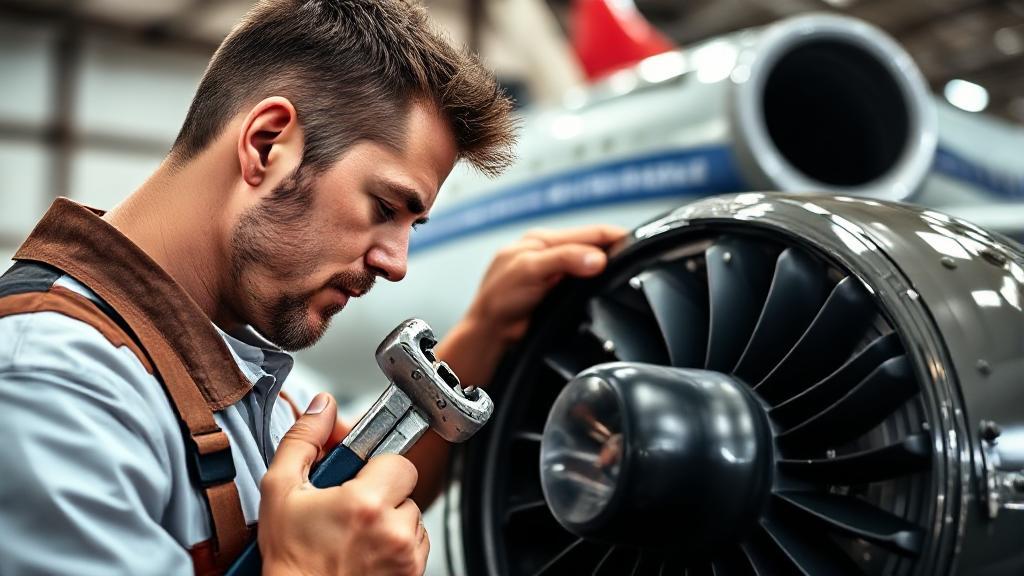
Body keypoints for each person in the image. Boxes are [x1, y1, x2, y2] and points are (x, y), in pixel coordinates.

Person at [0, 0, 624, 574]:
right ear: (268, 145)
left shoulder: (250, 368)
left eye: (413, 224)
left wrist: (488, 332)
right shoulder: (51, 385)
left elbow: (355, 492)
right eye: (384, 206)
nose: (397, 263)